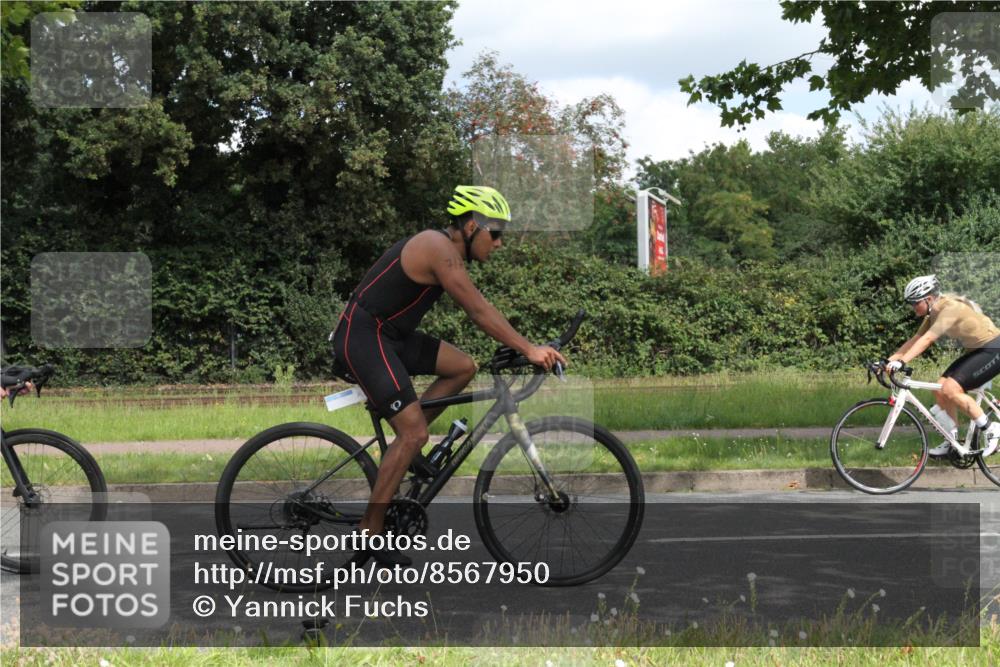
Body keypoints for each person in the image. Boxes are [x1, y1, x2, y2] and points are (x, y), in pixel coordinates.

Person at [330, 185, 566, 565]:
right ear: (472, 226)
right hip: (364, 337)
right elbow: (478, 309)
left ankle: (406, 450)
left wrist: (524, 346)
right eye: (496, 232)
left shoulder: (446, 250)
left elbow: (481, 311)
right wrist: (528, 348)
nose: (499, 243)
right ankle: (369, 532)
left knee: (462, 366)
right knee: (413, 433)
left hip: (390, 337)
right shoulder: (438, 248)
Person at [887, 274, 1000, 457]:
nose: (913, 307)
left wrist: (902, 362)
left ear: (928, 299)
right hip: (977, 351)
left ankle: (991, 428)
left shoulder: (948, 309)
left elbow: (928, 339)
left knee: (951, 388)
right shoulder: (933, 313)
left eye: (915, 302)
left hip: (993, 349)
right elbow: (915, 339)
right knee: (939, 389)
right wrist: (888, 361)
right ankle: (952, 442)